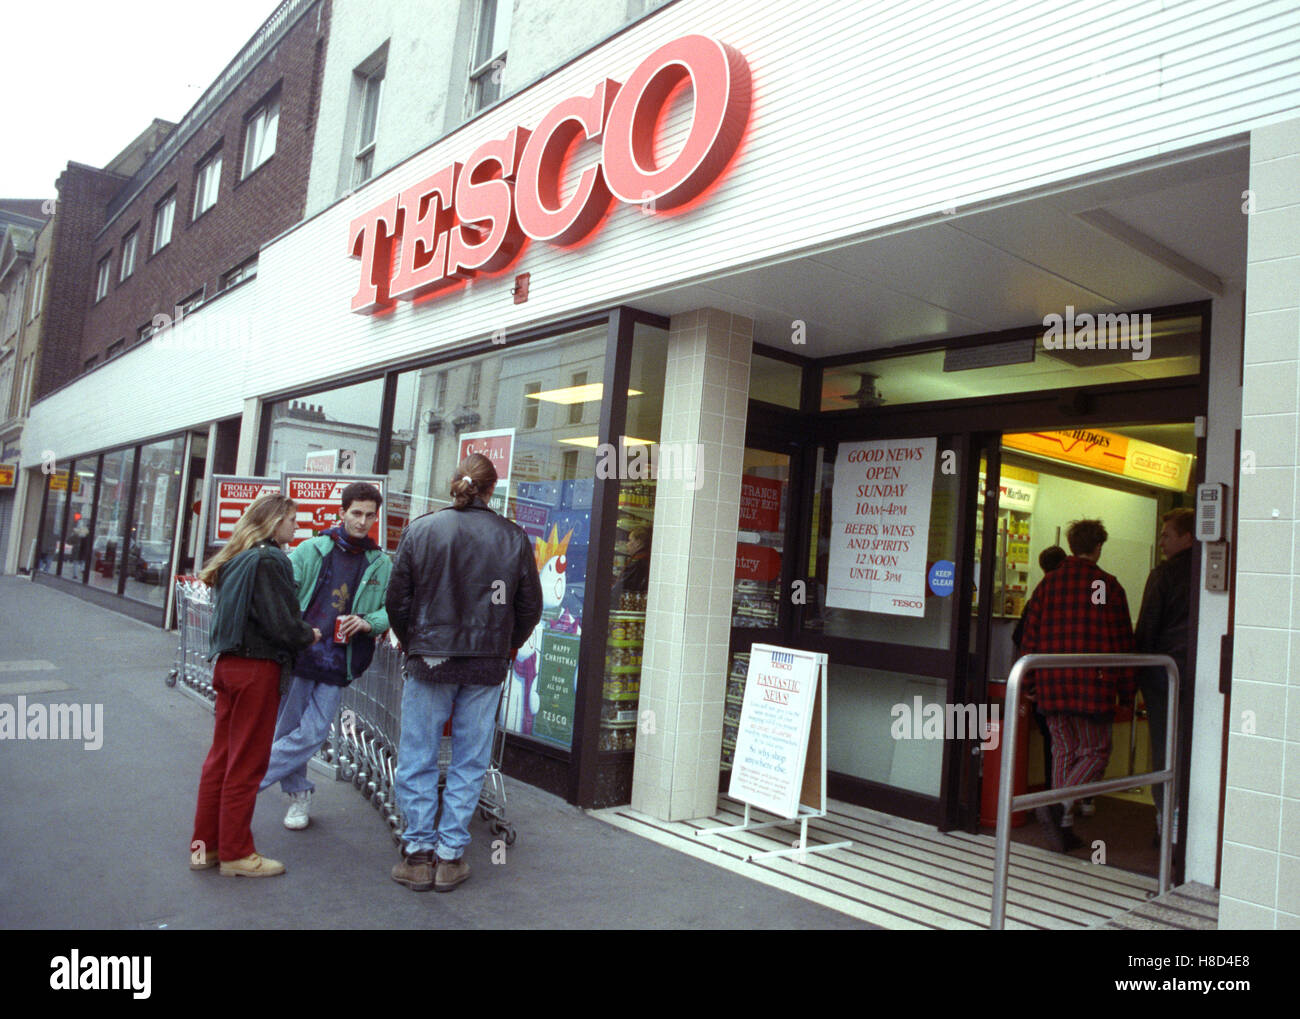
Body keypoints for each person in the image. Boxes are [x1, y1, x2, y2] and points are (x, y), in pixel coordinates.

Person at [386, 454, 542, 892]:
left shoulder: (422, 529)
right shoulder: (512, 536)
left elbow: (397, 598)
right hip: (486, 662)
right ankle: (451, 855)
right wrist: (505, 644)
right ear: (492, 489)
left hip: (429, 658)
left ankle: (417, 853)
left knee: (418, 752)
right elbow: (529, 606)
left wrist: (414, 639)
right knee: (470, 758)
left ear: (455, 484)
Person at [191, 494, 320, 878]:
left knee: (221, 759)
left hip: (229, 665)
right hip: (257, 669)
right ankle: (236, 853)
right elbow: (281, 624)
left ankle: (205, 848)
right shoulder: (270, 560)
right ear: (275, 521)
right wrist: (308, 634)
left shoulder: (236, 559)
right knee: (247, 764)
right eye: (292, 519)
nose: (296, 526)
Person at [259, 481, 392, 830]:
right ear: (341, 512)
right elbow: (286, 597)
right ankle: (299, 796)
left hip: (340, 660)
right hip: (301, 653)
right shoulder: (311, 549)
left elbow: (391, 610)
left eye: (370, 516)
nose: (363, 522)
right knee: (287, 729)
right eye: (356, 513)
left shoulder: (379, 563)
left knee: (314, 732)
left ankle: (247, 780)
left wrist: (366, 621)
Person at [1019, 519, 1136, 852]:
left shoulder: (1048, 584)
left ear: (1071, 545)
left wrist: (1029, 680)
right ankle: (1057, 804)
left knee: (1064, 750)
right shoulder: (1106, 586)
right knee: (1096, 752)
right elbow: (1121, 642)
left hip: (1051, 683)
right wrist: (1127, 693)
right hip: (1092, 685)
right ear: (1098, 546)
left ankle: (1063, 823)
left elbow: (1030, 637)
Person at [1135, 507, 1195, 840]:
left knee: (1164, 746)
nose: (1161, 542)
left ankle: (1166, 823)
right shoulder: (1210, 569)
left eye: (1166, 535)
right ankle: (1186, 826)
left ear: (1187, 536)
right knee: (1193, 746)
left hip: (1164, 675)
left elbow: (1147, 629)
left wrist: (1137, 673)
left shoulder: (1163, 575)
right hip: (1198, 675)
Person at [1012, 544, 1068, 802]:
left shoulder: (1040, 592)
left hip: (1045, 681)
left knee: (1053, 743)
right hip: (1075, 683)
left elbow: (1020, 635)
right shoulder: (1077, 592)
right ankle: (1078, 798)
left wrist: (1030, 684)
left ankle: (1052, 796)